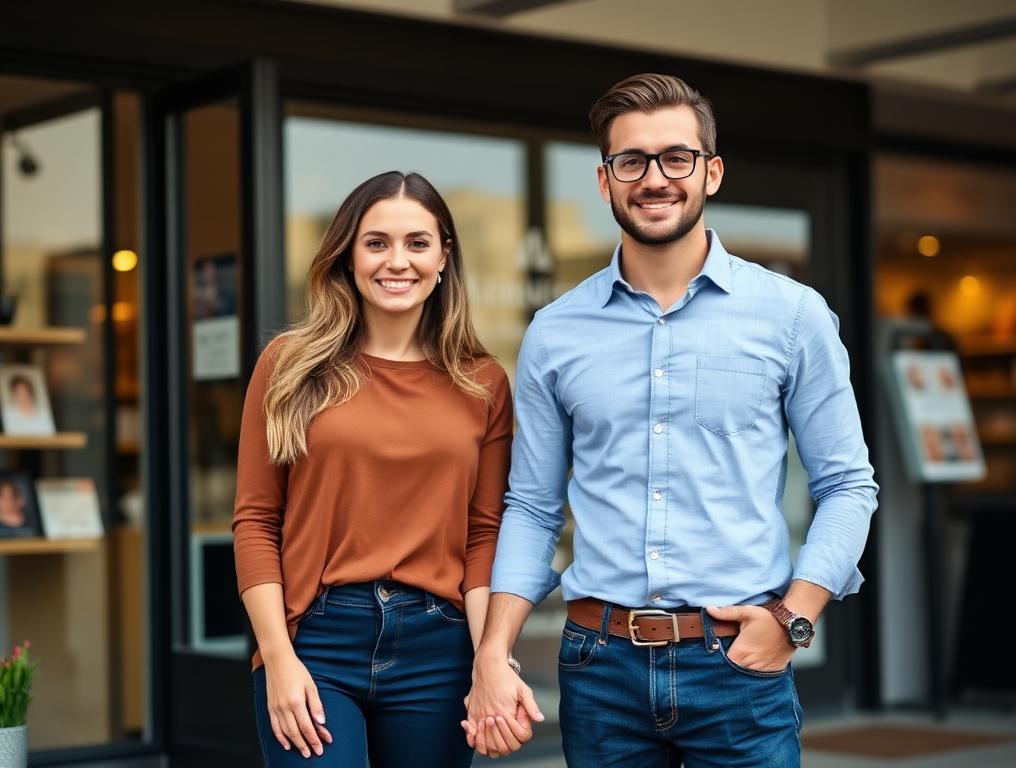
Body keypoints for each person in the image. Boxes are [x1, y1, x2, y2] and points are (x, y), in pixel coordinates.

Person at [463, 73, 879, 767]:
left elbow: (848, 485)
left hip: (740, 666)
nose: (654, 178)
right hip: (601, 670)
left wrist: (792, 620)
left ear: (711, 172)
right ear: (604, 182)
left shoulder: (792, 314)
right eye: (632, 161)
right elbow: (532, 506)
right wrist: (493, 653)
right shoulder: (556, 331)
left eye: (675, 158)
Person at [233, 171, 513, 767]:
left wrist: (492, 656)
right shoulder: (288, 366)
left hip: (440, 649)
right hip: (316, 641)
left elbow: (484, 533)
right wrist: (277, 656)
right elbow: (256, 521)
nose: (398, 261)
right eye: (376, 242)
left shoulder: (482, 380)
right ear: (348, 256)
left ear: (444, 257)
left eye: (417, 243)